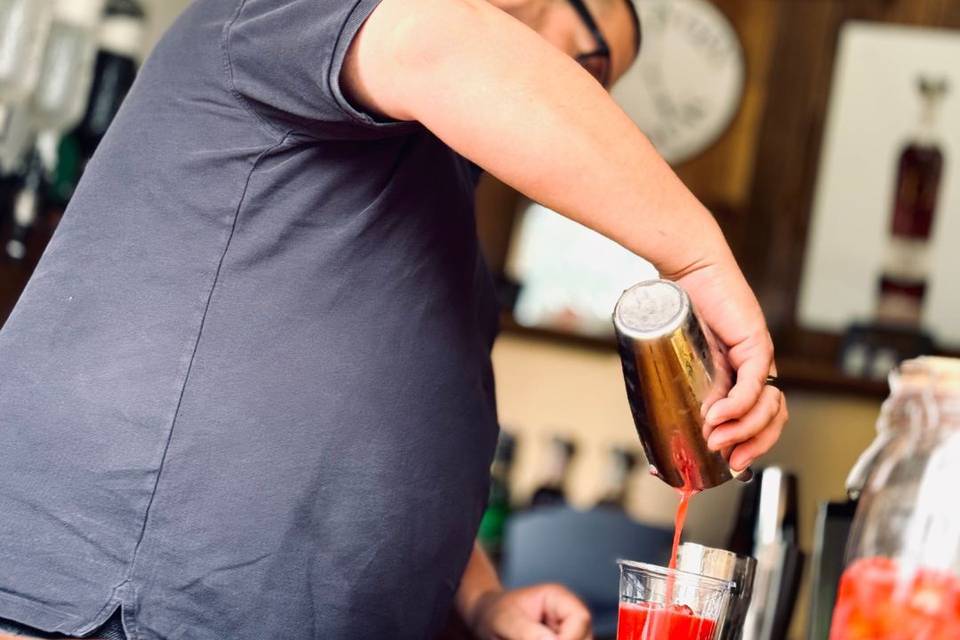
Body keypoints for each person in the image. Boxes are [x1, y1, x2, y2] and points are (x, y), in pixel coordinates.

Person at [0, 0, 788, 638]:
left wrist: (482, 599)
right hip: (106, 607)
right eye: (590, 59)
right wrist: (698, 261)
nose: (585, 93)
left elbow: (377, 450)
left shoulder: (438, 217)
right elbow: (443, 45)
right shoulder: (310, 12)